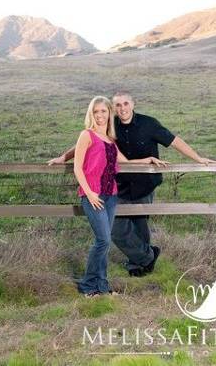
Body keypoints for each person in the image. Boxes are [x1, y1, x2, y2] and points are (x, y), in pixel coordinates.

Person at [49, 91, 216, 277]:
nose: (122, 109)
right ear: (114, 108)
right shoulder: (110, 125)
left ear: (133, 104)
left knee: (140, 225)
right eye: (118, 105)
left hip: (145, 184)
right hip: (118, 185)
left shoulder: (149, 124)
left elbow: (174, 142)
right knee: (116, 229)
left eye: (126, 104)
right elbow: (88, 139)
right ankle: (147, 257)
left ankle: (137, 265)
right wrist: (63, 158)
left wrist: (198, 158)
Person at [73, 95, 168, 297]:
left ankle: (102, 285)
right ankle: (88, 285)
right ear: (91, 114)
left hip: (110, 195)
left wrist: (149, 159)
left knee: (104, 242)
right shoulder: (86, 135)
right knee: (103, 240)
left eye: (103, 111)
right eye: (96, 111)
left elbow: (124, 161)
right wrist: (89, 193)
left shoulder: (109, 139)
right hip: (93, 195)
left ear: (109, 113)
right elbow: (77, 167)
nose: (99, 115)